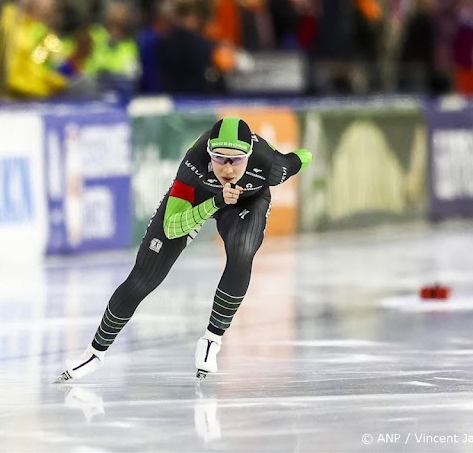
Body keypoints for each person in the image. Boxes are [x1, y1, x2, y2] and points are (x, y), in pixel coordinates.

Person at [56, 117, 312, 382]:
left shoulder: (269, 163)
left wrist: (303, 156)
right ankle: (95, 352)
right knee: (142, 279)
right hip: (201, 199)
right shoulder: (193, 163)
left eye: (236, 160)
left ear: (249, 156)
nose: (227, 168)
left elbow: (301, 158)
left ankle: (212, 338)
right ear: (208, 152)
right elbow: (172, 228)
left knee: (242, 252)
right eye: (219, 157)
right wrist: (215, 201)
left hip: (247, 203)